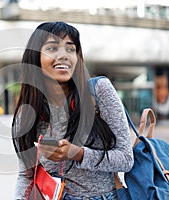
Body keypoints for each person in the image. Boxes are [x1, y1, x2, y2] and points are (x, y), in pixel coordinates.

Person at [11, 21, 134, 200]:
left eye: (70, 49)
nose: (64, 56)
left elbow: (125, 159)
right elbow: (26, 176)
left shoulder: (99, 91)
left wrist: (77, 153)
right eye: (52, 48)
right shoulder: (27, 113)